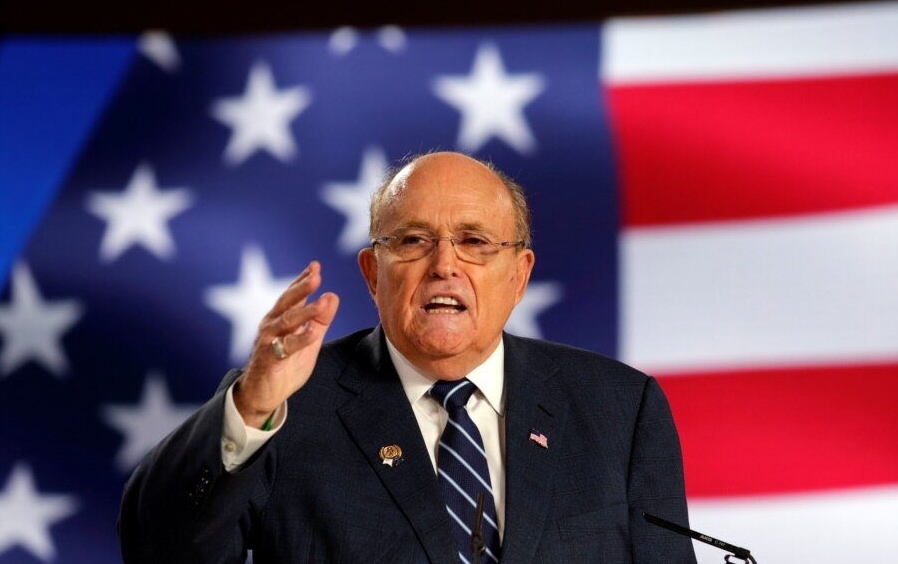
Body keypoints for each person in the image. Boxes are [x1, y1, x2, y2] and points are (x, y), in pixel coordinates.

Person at [118, 151, 698, 563]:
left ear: (519, 276)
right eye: (414, 241)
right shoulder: (282, 407)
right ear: (374, 273)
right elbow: (158, 549)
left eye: (474, 242)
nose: (445, 264)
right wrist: (249, 409)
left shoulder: (620, 409)